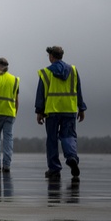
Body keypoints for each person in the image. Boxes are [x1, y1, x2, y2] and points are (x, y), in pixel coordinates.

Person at [35, 46, 86, 179]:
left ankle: (54, 169)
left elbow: (40, 93)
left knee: (52, 140)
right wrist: (81, 108)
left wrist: (39, 111)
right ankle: (71, 157)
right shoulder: (73, 70)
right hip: (69, 110)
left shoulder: (45, 72)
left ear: (52, 56)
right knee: (68, 136)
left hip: (52, 111)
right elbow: (78, 90)